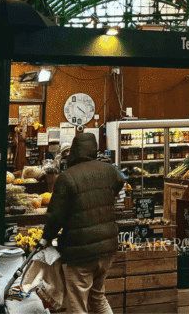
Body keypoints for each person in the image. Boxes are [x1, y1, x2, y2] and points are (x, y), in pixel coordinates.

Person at [42, 133, 125, 314]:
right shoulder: (108, 170)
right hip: (107, 247)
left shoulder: (67, 177)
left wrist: (46, 238)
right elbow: (120, 183)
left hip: (79, 251)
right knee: (98, 297)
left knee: (77, 302)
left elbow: (56, 215)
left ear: (74, 151)